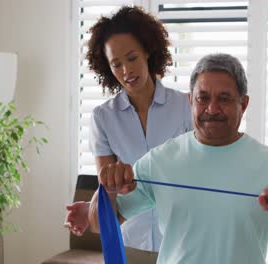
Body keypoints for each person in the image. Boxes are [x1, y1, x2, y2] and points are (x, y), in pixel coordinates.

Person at [88, 53, 268, 263]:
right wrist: (107, 190)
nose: (212, 109)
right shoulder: (160, 160)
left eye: (224, 99)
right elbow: (100, 224)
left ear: (244, 104)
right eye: (202, 98)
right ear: (190, 101)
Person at [64, 6, 192, 263]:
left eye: (132, 58)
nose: (126, 71)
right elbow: (107, 188)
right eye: (116, 64)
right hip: (131, 246)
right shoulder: (104, 118)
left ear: (147, 50)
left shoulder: (185, 107)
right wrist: (93, 206)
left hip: (182, 245)